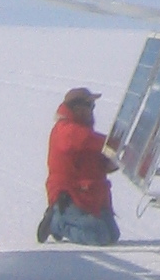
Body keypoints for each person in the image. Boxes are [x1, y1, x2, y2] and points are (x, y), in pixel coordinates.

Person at [37, 88, 121, 246]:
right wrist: (119, 143)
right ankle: (57, 222)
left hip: (91, 194)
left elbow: (95, 159)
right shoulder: (67, 130)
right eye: (90, 105)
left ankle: (67, 220)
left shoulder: (81, 130)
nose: (92, 110)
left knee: (112, 235)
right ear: (77, 108)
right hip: (70, 196)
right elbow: (92, 141)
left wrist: (112, 162)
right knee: (98, 237)